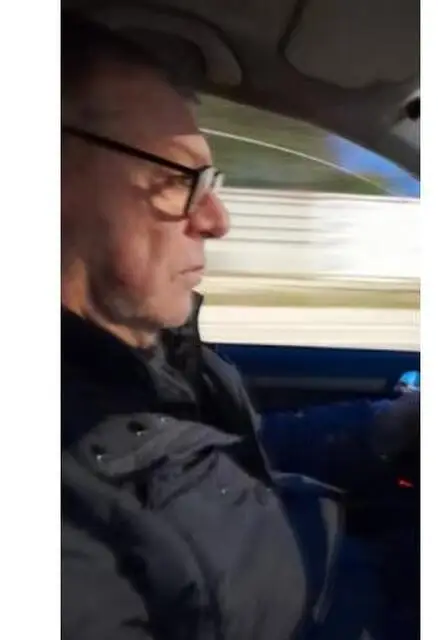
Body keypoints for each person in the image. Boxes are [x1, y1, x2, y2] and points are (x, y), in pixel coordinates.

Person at [61, 12, 419, 640]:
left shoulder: (149, 360)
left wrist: (383, 428)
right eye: (180, 178)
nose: (217, 220)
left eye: (212, 182)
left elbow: (231, 470)